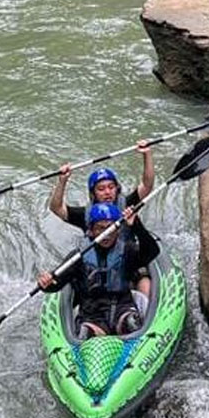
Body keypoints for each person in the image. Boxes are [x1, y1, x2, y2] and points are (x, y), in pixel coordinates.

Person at [36, 202, 161, 338]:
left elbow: (152, 252)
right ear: (91, 230)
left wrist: (136, 225)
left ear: (118, 229)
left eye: (109, 228)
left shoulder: (127, 250)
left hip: (122, 308)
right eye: (100, 228)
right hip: (92, 315)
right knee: (85, 334)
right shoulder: (79, 257)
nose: (106, 234)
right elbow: (57, 283)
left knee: (131, 324)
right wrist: (45, 283)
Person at [48, 144, 155, 296]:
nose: (107, 192)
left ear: (116, 189)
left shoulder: (127, 205)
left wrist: (147, 155)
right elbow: (56, 208)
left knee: (145, 282)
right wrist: (62, 181)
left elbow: (147, 185)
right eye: (101, 189)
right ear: (93, 193)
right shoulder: (86, 214)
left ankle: (149, 316)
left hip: (128, 259)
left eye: (111, 187)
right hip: (95, 264)